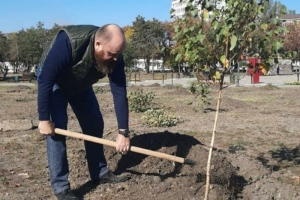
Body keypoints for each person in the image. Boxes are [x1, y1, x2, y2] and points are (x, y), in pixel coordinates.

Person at [37, 24, 131, 200]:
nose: (115, 59)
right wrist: (43, 119)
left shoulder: (115, 57)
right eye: (111, 54)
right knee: (57, 128)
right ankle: (61, 188)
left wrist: (123, 131)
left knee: (95, 123)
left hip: (80, 83)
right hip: (55, 81)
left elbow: (119, 92)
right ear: (97, 44)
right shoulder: (69, 42)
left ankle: (100, 172)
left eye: (118, 54)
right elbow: (46, 80)